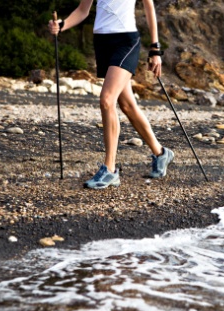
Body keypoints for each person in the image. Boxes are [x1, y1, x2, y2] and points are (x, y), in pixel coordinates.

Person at [48, 0, 174, 189]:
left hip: (126, 42)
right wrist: (62, 25)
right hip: (102, 42)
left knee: (107, 99)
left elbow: (149, 6)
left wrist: (155, 49)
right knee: (127, 105)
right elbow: (83, 10)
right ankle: (161, 153)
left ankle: (110, 169)